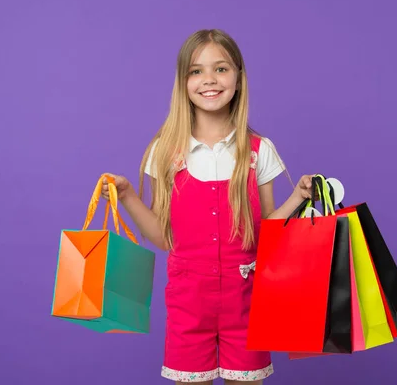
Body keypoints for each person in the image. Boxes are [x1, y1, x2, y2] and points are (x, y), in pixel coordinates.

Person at [101, 29, 315, 384]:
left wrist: (299, 198)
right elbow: (165, 238)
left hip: (246, 302)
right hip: (188, 303)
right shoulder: (165, 152)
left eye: (221, 69)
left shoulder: (259, 150)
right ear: (182, 82)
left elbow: (266, 234)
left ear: (238, 78)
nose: (209, 80)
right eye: (196, 71)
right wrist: (127, 197)